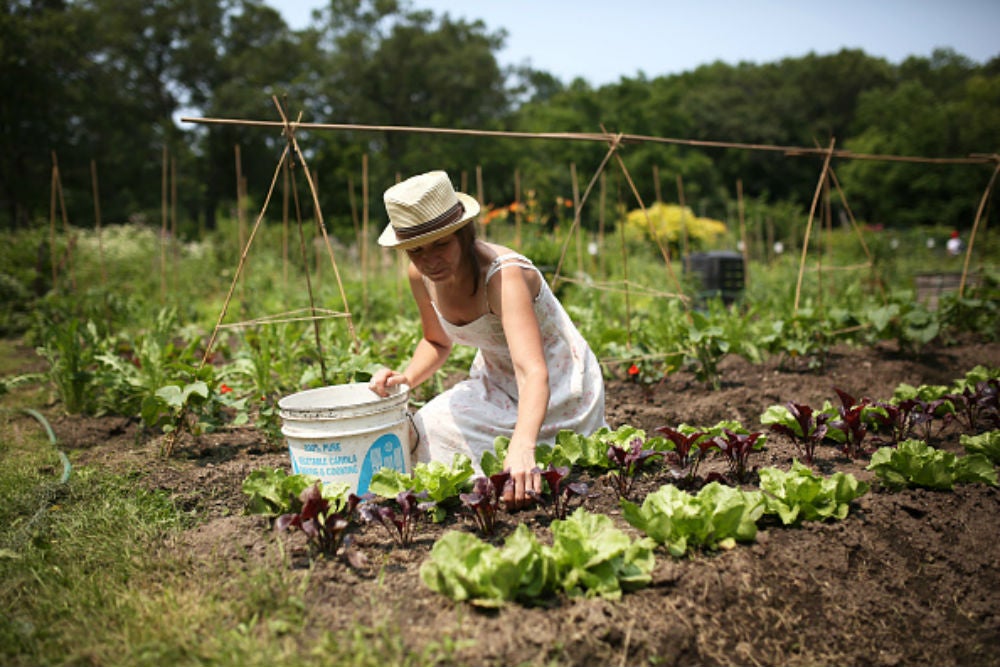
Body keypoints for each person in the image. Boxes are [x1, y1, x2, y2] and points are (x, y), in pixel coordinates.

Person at [368, 170, 606, 507]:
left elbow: (532, 371)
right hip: (496, 380)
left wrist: (523, 445)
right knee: (425, 429)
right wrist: (407, 378)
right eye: (416, 250)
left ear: (464, 233)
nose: (430, 260)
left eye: (441, 244)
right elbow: (436, 342)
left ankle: (522, 455)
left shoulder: (503, 276)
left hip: (557, 385)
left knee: (516, 459)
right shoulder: (420, 276)